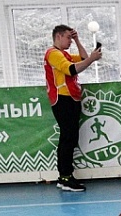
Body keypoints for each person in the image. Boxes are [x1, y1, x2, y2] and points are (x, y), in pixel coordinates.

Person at [44, 24, 102, 192]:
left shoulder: (65, 54)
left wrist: (77, 40)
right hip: (62, 98)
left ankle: (65, 176)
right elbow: (71, 70)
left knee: (70, 137)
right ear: (58, 37)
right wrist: (91, 59)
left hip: (71, 97)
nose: (70, 40)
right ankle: (65, 176)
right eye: (68, 37)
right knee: (68, 138)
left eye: (71, 37)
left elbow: (84, 58)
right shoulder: (53, 53)